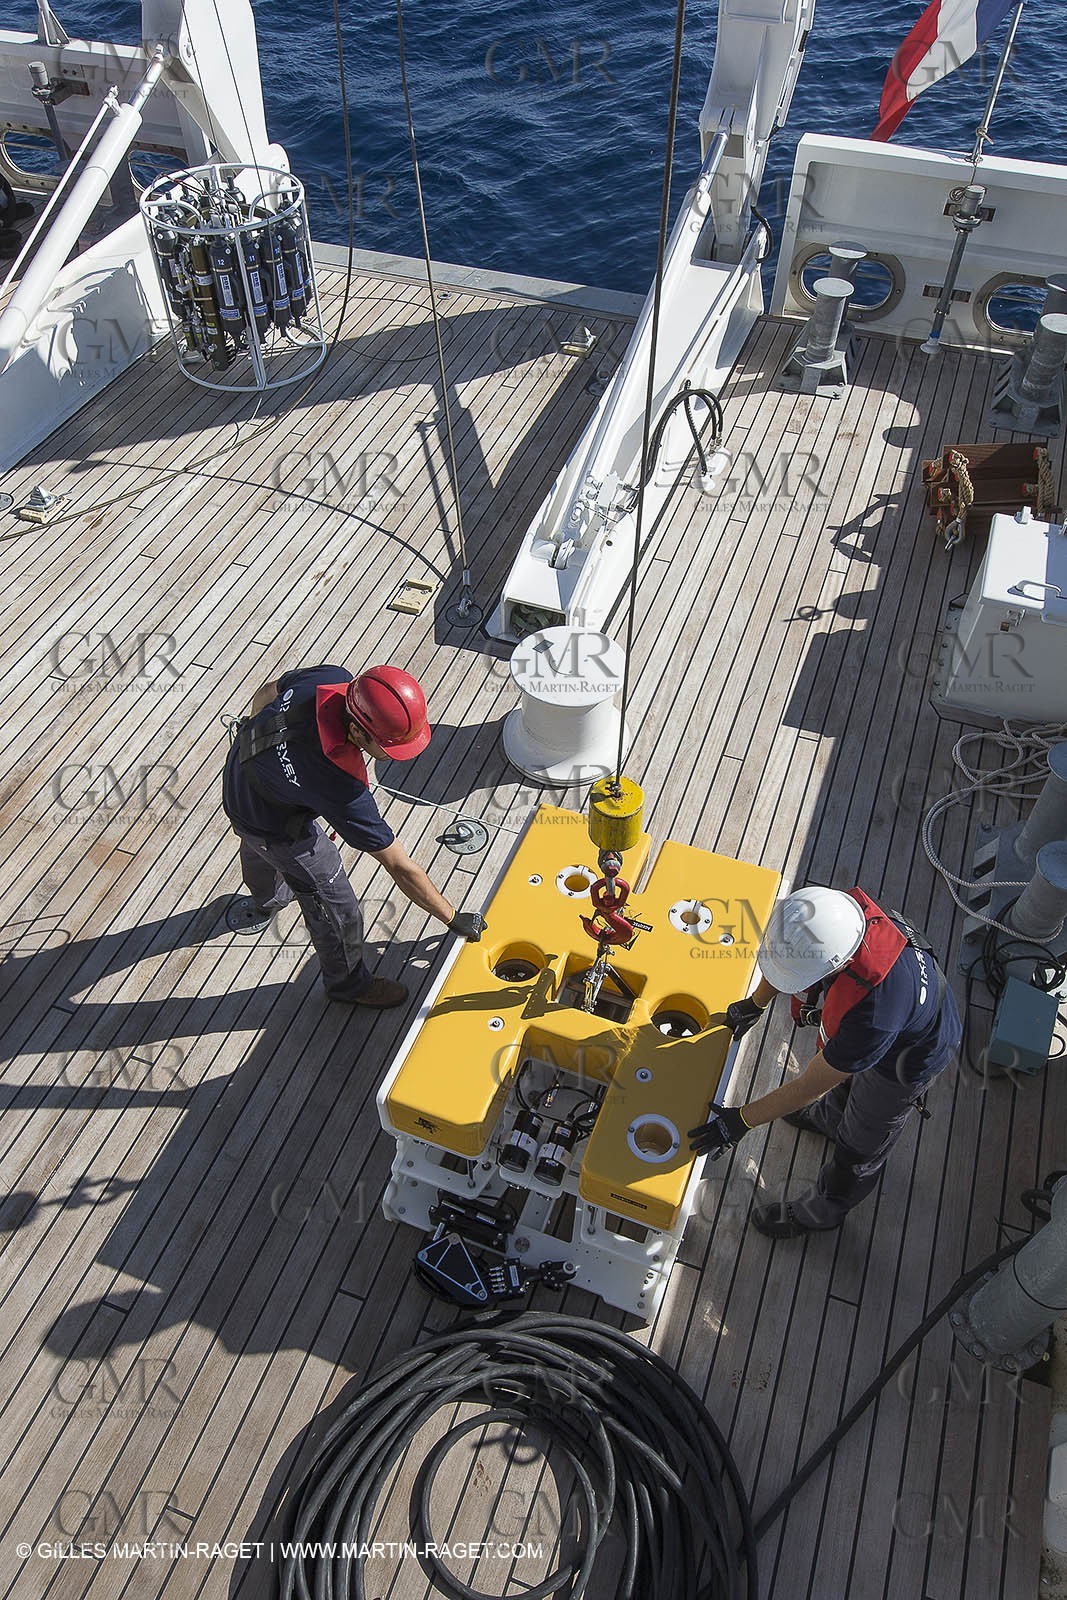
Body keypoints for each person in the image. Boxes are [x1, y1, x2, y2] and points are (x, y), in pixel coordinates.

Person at [688, 885, 962, 1238]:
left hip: (908, 1059)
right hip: (899, 1016)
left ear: (837, 966)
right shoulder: (832, 918)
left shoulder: (872, 1014)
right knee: (844, 1091)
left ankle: (820, 1214)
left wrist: (739, 1121)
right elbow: (788, 957)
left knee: (860, 1149)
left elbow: (809, 1086)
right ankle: (830, 1121)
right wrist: (754, 1004)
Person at [222, 662, 486, 1008]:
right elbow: (399, 866)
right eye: (389, 748)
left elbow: (267, 693)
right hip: (278, 828)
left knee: (258, 846)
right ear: (358, 734)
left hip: (240, 779)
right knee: (338, 908)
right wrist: (452, 917)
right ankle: (348, 985)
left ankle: (267, 901)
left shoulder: (330, 678)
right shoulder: (342, 790)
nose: (395, 758)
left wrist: (276, 765)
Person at [0, 172, 34, 259]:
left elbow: (10, 196)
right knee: (14, 236)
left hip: (4, 212)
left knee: (28, 208)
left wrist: (5, 219)